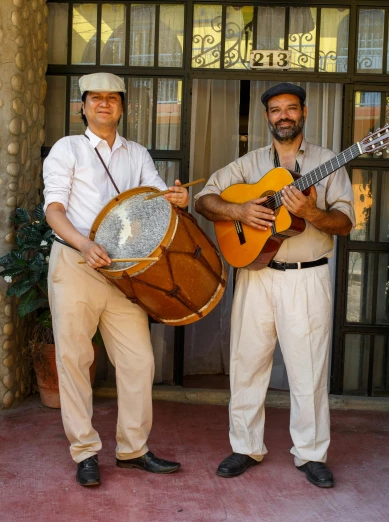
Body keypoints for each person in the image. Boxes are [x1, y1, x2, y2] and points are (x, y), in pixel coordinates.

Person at [194, 83, 355, 488]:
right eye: (276, 110)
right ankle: (245, 446)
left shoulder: (329, 162)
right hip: (255, 274)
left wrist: (312, 212)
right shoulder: (248, 164)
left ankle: (311, 454)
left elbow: (345, 223)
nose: (284, 116)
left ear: (304, 113)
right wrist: (239, 210)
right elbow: (205, 200)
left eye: (291, 109)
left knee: (309, 370)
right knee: (247, 364)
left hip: (306, 275)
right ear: (267, 117)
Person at [43, 72, 188, 487]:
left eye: (112, 98)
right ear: (83, 106)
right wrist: (85, 245)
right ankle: (85, 451)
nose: (104, 103)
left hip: (126, 273)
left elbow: (159, 201)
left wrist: (178, 198)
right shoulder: (67, 148)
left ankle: (133, 449)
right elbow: (54, 210)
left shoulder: (137, 153)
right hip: (76, 263)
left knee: (139, 360)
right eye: (95, 98)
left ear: (123, 107)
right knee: (73, 359)